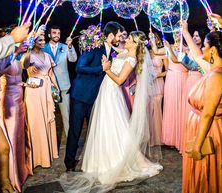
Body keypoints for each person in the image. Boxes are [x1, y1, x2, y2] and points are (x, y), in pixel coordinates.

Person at [60, 31, 162, 192]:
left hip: (112, 93)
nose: (125, 39)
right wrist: (93, 40)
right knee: (104, 127)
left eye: (128, 38)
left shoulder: (131, 58)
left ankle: (116, 160)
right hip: (104, 92)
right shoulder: (124, 52)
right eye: (124, 36)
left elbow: (120, 80)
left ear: (135, 43)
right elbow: (107, 49)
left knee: (113, 125)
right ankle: (99, 159)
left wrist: (106, 69)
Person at [64, 21, 124, 171]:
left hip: (97, 98)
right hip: (81, 96)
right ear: (110, 35)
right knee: (75, 130)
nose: (120, 38)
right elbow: (79, 67)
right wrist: (100, 68)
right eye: (118, 35)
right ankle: (69, 163)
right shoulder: (94, 47)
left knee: (95, 130)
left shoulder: (114, 51)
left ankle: (94, 161)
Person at [181, 20, 222, 193]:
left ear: (213, 50)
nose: (203, 48)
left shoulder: (217, 76)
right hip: (199, 128)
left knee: (205, 173)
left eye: (205, 45)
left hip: (208, 132)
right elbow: (197, 56)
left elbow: (207, 114)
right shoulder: (213, 69)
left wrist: (198, 146)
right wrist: (185, 32)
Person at [0, 23, 30, 193]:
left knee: (3, 147)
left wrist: (15, 51)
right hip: (0, 102)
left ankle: (4, 183)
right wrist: (11, 39)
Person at [21, 35, 59, 168]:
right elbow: (24, 65)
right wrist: (27, 51)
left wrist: (57, 88)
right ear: (33, 42)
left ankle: (47, 154)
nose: (43, 42)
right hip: (34, 90)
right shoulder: (28, 55)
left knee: (47, 120)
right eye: (40, 40)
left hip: (46, 90)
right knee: (36, 122)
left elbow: (51, 73)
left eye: (43, 40)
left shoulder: (48, 56)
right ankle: (36, 157)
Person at [43, 25, 77, 138]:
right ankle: (49, 142)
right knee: (48, 116)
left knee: (66, 116)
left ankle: (69, 141)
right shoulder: (43, 48)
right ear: (49, 35)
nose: (57, 35)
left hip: (63, 86)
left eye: (58, 33)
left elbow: (73, 59)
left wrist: (70, 46)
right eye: (54, 33)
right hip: (47, 87)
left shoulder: (65, 47)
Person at [148, 32, 168, 146]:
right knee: (149, 110)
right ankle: (150, 137)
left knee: (157, 110)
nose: (152, 40)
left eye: (154, 38)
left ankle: (159, 137)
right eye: (150, 38)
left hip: (158, 82)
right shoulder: (147, 53)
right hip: (148, 84)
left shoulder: (162, 53)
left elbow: (167, 71)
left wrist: (156, 76)